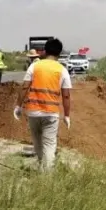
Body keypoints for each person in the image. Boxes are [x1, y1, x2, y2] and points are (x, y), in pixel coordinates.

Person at [13, 37, 71, 171]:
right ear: (59, 53)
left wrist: (18, 106)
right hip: (51, 113)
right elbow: (66, 95)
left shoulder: (35, 66)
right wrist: (67, 116)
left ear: (45, 51)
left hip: (33, 111)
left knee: (37, 142)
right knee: (49, 144)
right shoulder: (62, 70)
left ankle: (42, 166)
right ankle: (47, 174)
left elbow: (24, 87)